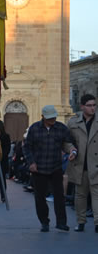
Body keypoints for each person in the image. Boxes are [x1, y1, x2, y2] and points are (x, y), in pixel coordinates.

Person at [23, 105, 77, 233]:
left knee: (59, 196)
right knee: (40, 197)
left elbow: (68, 143)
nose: (52, 120)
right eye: (49, 118)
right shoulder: (35, 128)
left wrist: (71, 150)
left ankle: (61, 223)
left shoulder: (61, 128)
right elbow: (27, 147)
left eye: (54, 117)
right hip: (39, 168)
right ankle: (44, 222)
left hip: (55, 167)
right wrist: (31, 162)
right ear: (42, 117)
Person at [66, 94, 98, 233]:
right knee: (80, 195)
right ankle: (80, 221)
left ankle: (97, 223)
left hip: (95, 164)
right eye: (89, 105)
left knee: (96, 194)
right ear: (82, 106)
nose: (93, 108)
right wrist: (70, 149)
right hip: (79, 164)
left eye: (94, 105)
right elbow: (66, 141)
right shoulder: (73, 122)